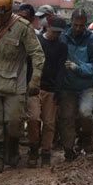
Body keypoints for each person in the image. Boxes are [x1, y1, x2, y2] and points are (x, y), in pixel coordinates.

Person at [0, 0, 44, 173]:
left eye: (4, 12)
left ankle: (12, 148)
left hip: (15, 83)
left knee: (14, 122)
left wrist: (35, 80)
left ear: (10, 9)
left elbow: (37, 55)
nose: (0, 16)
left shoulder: (23, 28)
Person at [59, 9, 93, 161]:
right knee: (67, 118)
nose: (78, 28)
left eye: (81, 25)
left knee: (85, 113)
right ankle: (68, 150)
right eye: (75, 25)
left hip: (87, 86)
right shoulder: (63, 38)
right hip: (67, 87)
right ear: (71, 22)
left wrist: (78, 68)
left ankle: (87, 142)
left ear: (85, 24)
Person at [26, 16, 68, 168]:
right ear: (47, 27)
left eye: (59, 32)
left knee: (49, 123)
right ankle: (32, 148)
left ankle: (45, 152)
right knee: (33, 118)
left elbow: (61, 69)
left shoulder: (62, 46)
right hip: (35, 87)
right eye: (54, 31)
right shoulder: (37, 42)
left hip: (52, 89)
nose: (56, 34)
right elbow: (29, 64)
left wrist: (58, 90)